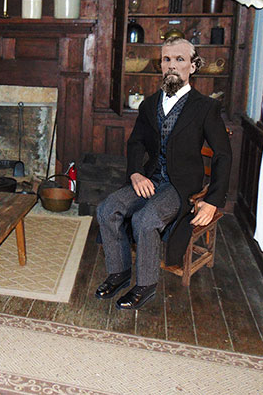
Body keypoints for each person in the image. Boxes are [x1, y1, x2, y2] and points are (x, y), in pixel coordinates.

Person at [95, 37, 232, 309]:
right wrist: (135, 172)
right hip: (150, 178)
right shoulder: (149, 104)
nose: (172, 65)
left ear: (193, 66)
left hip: (181, 185)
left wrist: (213, 199)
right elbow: (135, 142)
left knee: (146, 220)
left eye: (179, 59)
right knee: (107, 208)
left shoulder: (206, 107)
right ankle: (119, 273)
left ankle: (145, 285)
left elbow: (223, 155)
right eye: (166, 59)